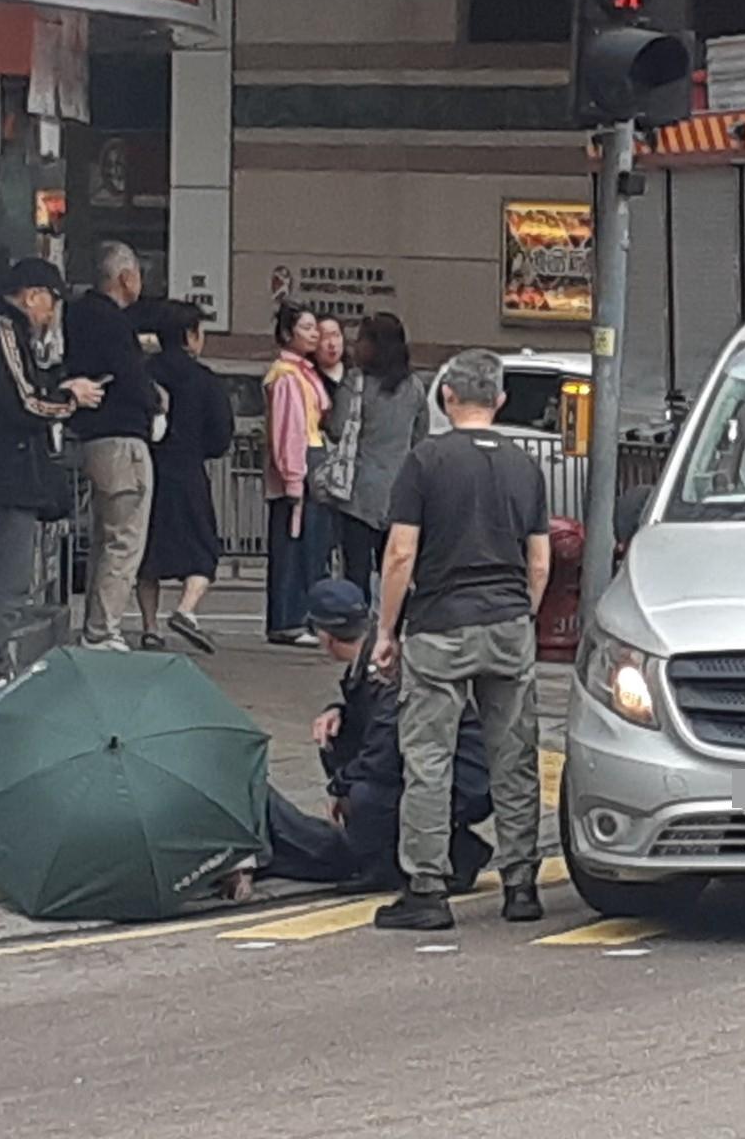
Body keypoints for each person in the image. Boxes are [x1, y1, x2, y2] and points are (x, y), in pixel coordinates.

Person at [372, 348, 550, 932]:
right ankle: (521, 883)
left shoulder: (425, 461)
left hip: (440, 622)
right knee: (515, 756)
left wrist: (385, 631)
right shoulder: (525, 466)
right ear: (500, 400)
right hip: (507, 621)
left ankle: (427, 888)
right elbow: (540, 561)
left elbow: (401, 554)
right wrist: (524, 613)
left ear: (446, 396)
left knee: (429, 758)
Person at [219, 579, 495, 899]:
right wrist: (337, 712)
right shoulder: (372, 657)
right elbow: (373, 720)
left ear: (326, 635)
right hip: (445, 766)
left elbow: (383, 752)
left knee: (366, 792)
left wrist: (340, 788)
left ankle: (409, 860)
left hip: (463, 778)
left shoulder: (385, 669)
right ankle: (404, 850)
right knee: (337, 742)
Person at [0, 259, 107, 707]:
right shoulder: (1, 328)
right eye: (52, 303)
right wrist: (69, 397)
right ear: (33, 295)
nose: (51, 315)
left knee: (0, 581)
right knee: (1, 582)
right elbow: (24, 401)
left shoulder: (5, 331)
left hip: (0, 476)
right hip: (2, 477)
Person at [64, 241, 162, 651]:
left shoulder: (75, 315)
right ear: (125, 277)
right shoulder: (115, 323)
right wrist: (156, 399)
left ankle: (95, 625)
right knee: (124, 539)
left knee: (104, 536)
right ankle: (103, 630)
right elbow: (131, 378)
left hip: (90, 438)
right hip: (123, 441)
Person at [135, 301, 234, 653]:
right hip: (189, 471)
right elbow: (221, 433)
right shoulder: (204, 380)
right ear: (191, 336)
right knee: (202, 550)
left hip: (147, 468)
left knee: (147, 553)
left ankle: (149, 627)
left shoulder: (143, 372)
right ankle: (186, 609)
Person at [322, 313, 424, 601]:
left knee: (356, 569)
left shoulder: (356, 383)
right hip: (400, 491)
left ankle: (356, 628)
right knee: (395, 567)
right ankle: (392, 629)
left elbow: (339, 428)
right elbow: (420, 436)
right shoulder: (414, 386)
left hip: (357, 490)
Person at [262, 302, 334, 645]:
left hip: (308, 459)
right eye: (306, 328)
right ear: (289, 333)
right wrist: (293, 477)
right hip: (302, 462)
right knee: (296, 545)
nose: (314, 334)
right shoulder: (287, 377)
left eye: (315, 327)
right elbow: (288, 431)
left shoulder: (302, 372)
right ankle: (290, 618)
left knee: (307, 545)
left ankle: (296, 618)